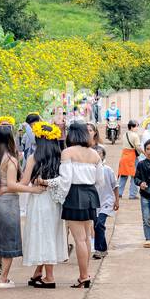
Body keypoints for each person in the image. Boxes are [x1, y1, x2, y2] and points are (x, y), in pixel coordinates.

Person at [0, 125, 31, 289]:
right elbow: (12, 184)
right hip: (8, 202)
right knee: (9, 240)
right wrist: (32, 189)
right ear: (11, 139)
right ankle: (3, 279)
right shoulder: (11, 159)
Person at [22, 122, 67, 288]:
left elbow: (24, 182)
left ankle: (50, 277)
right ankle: (39, 272)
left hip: (39, 199)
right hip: (54, 201)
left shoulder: (33, 158)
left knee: (42, 234)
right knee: (50, 233)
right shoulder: (60, 157)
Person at [59, 120, 102, 288]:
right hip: (90, 194)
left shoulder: (67, 152)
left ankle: (84, 276)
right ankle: (85, 274)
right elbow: (100, 180)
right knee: (85, 237)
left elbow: (66, 180)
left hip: (74, 194)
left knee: (79, 240)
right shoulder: (95, 154)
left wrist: (60, 197)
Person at [92, 145, 119, 259]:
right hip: (94, 203)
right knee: (96, 226)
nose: (97, 155)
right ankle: (102, 248)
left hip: (107, 201)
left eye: (100, 153)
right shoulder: (89, 170)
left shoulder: (108, 170)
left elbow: (115, 186)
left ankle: (99, 249)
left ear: (103, 156)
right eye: (95, 153)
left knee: (99, 224)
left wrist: (116, 201)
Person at [117, 120, 140, 200]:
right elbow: (137, 147)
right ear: (131, 127)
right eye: (136, 126)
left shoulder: (125, 134)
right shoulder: (135, 136)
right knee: (134, 176)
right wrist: (144, 153)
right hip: (132, 157)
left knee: (123, 176)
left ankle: (119, 193)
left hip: (124, 156)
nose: (137, 128)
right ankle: (132, 194)